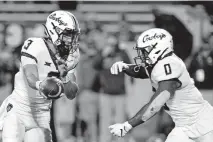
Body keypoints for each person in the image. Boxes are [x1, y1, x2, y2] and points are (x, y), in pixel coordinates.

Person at [108, 28, 213, 142]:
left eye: (145, 50)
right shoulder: (160, 63)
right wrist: (125, 67)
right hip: (186, 125)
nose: (142, 54)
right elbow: (143, 71)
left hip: (202, 124)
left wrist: (128, 125)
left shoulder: (170, 65)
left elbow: (156, 103)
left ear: (158, 48)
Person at [0, 10, 80, 142]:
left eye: (72, 34)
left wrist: (65, 77)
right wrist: (43, 85)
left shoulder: (71, 55)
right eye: (67, 34)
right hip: (19, 108)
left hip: (41, 113)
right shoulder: (34, 45)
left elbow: (71, 94)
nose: (70, 39)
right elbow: (30, 77)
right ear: (54, 31)